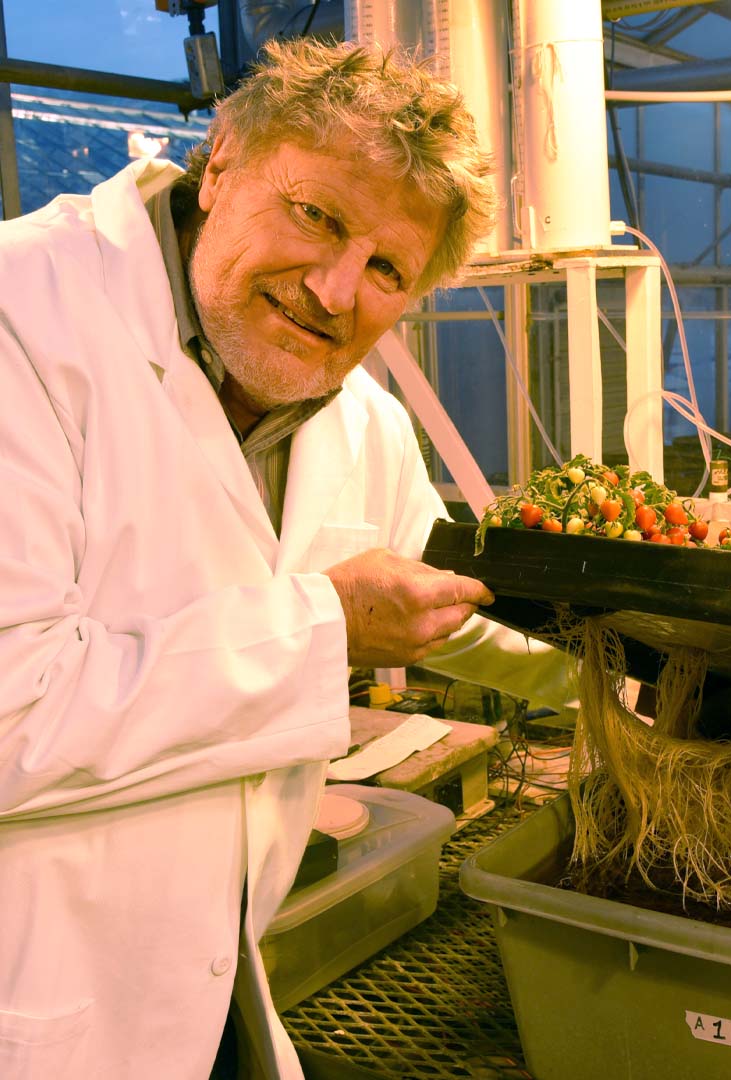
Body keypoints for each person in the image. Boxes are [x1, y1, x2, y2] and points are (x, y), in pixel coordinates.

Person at [0, 38, 570, 1079]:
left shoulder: (356, 419)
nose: (335, 288)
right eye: (317, 214)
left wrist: (635, 678)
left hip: (212, 977)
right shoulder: (24, 320)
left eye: (388, 269)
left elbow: (439, 605)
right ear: (221, 163)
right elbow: (10, 711)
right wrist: (323, 629)